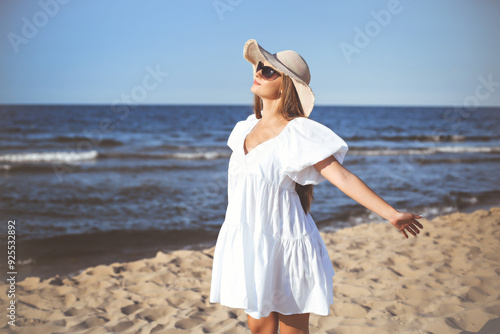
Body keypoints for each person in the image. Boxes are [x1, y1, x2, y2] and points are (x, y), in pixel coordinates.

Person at [209, 39, 423, 334]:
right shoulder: (244, 128)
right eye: (259, 66)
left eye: (269, 71)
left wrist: (391, 214)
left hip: (287, 242)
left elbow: (343, 177)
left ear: (286, 86)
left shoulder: (297, 132)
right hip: (250, 241)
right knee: (258, 328)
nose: (258, 72)